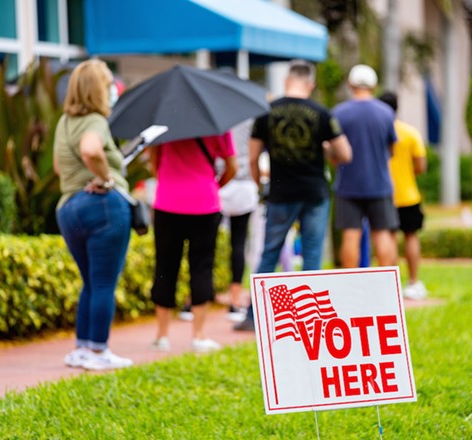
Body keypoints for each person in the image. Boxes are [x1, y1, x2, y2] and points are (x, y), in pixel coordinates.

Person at [235, 59, 352, 331]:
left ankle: (254, 316)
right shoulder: (322, 113)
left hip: (280, 193)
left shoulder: (266, 112)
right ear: (310, 84)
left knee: (269, 254)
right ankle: (313, 320)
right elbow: (345, 154)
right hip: (314, 192)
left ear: (287, 81)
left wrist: (259, 184)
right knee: (311, 254)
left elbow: (252, 158)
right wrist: (325, 150)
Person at [53, 59, 133, 371]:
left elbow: (61, 167)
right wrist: (108, 179)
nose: (113, 90)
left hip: (69, 207)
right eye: (109, 84)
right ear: (98, 90)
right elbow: (90, 150)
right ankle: (99, 351)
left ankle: (83, 348)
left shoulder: (64, 122)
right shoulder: (95, 122)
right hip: (102, 206)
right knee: (103, 283)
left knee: (90, 282)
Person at [148, 133, 237, 352]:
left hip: (167, 202)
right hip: (205, 202)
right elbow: (232, 166)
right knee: (202, 266)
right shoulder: (216, 124)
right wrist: (213, 185)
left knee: (165, 266)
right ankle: (199, 335)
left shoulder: (165, 123)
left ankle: (161, 335)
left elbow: (153, 163)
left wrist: (171, 181)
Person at [332, 64, 399, 268]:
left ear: (351, 84)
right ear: (374, 85)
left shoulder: (338, 113)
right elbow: (392, 149)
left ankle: (351, 290)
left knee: (351, 235)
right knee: (382, 234)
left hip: (347, 185)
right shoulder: (386, 113)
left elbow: (334, 152)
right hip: (379, 183)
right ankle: (387, 287)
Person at [378, 91, 429, 300]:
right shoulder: (410, 132)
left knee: (387, 237)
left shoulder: (378, 133)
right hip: (408, 194)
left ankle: (390, 285)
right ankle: (413, 282)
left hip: (383, 194)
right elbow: (421, 166)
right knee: (411, 236)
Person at [217, 119, 259, 322]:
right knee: (239, 242)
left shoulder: (212, 114)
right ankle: (234, 299)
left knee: (205, 244)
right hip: (243, 181)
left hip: (217, 180)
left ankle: (194, 299)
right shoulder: (249, 117)